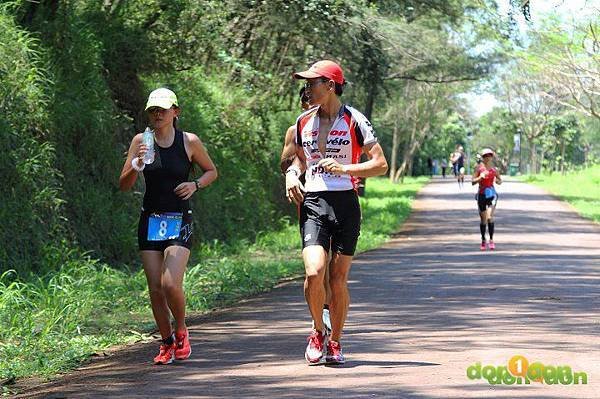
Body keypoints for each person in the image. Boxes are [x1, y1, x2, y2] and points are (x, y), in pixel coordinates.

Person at [286, 60, 388, 364]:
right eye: (305, 84)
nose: (307, 89)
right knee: (314, 271)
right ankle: (318, 330)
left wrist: (346, 168)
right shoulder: (303, 121)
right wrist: (292, 175)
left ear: (330, 85)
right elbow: (298, 162)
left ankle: (336, 341)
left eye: (312, 83)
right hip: (314, 201)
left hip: (346, 202)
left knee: (337, 278)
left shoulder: (355, 120)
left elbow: (380, 165)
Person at [119, 88, 218, 364]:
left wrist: (195, 184)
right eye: (153, 110)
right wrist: (135, 164)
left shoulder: (189, 142)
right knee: (154, 288)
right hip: (150, 218)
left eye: (163, 109)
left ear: (176, 112)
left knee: (170, 283)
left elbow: (212, 171)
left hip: (178, 218)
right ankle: (165, 342)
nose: (158, 114)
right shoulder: (141, 140)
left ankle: (182, 329)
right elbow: (124, 185)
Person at [280, 87, 332, 334]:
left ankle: (327, 315)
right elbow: (286, 162)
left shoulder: (339, 125)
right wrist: (293, 168)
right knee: (315, 269)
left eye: (315, 97)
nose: (312, 103)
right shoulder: (296, 129)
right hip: (310, 204)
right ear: (302, 104)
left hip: (339, 203)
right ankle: (318, 318)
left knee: (331, 267)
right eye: (307, 100)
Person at [472, 148, 502, 251]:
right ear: (482, 157)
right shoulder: (478, 168)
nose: (487, 157)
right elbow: (473, 181)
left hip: (492, 195)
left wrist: (497, 181)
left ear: (492, 157)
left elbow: (499, 180)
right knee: (483, 220)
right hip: (481, 195)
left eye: (489, 155)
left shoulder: (494, 170)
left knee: (489, 217)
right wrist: (480, 177)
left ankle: (491, 240)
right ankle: (483, 240)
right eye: (485, 156)